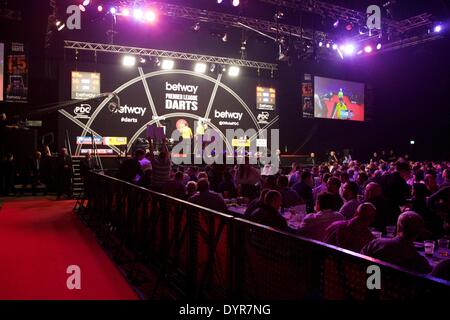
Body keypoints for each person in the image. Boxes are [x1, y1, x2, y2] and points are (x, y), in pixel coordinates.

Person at [361, 211, 431, 274]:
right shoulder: (419, 262)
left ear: (398, 227)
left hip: (369, 285)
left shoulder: (376, 243)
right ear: (418, 233)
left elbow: (360, 261)